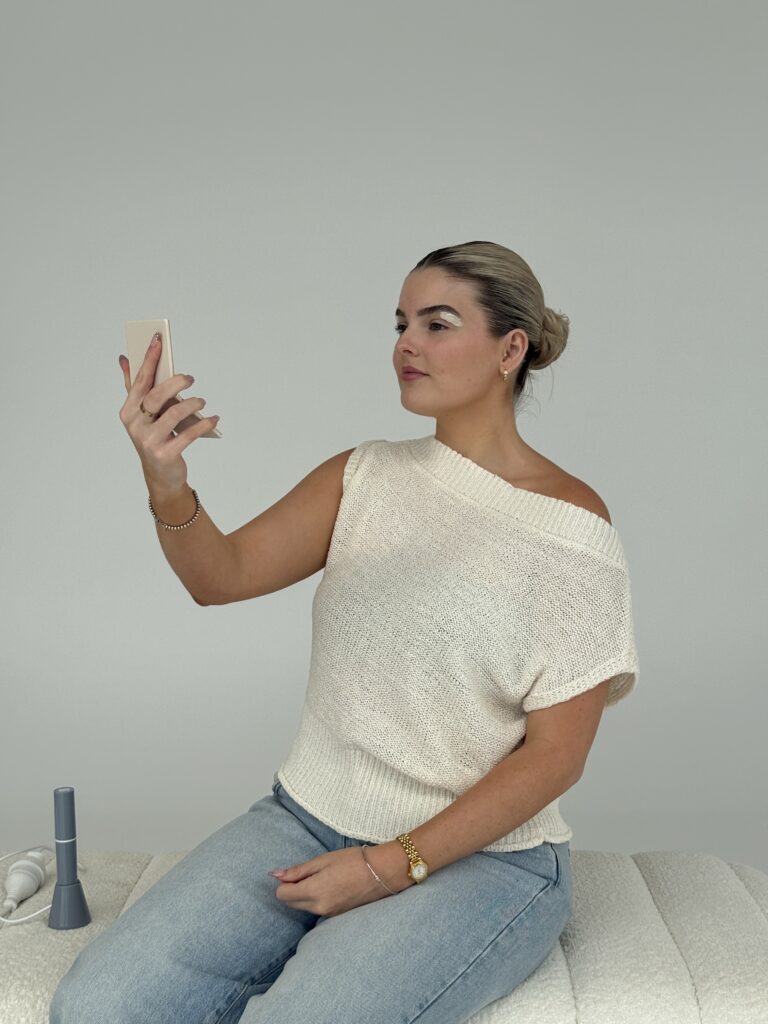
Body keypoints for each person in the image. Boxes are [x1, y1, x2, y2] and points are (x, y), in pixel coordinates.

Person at [50, 240, 639, 1024]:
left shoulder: (570, 527)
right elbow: (219, 576)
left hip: (487, 860)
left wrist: (388, 867)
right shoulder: (363, 476)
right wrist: (167, 482)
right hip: (306, 818)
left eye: (436, 324)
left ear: (511, 349)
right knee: (97, 1007)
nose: (406, 344)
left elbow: (557, 755)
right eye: (400, 324)